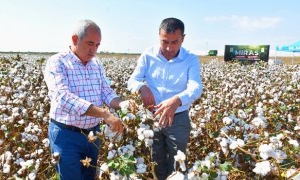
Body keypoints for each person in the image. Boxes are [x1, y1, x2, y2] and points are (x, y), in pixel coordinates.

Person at [44, 19, 126, 179]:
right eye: (90, 43)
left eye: (97, 45)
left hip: (92, 136)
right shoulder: (57, 62)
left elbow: (106, 92)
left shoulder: (96, 64)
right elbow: (63, 97)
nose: (93, 49)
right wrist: (104, 114)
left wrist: (122, 104)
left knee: (89, 176)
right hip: (66, 135)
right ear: (75, 39)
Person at [127, 17, 203, 179]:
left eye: (174, 42)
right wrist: (142, 87)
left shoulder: (190, 59)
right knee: (156, 161)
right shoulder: (148, 56)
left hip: (178, 118)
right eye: (164, 41)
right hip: (151, 117)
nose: (169, 47)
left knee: (178, 162)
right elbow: (132, 81)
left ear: (183, 38)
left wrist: (177, 100)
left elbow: (196, 87)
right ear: (158, 36)